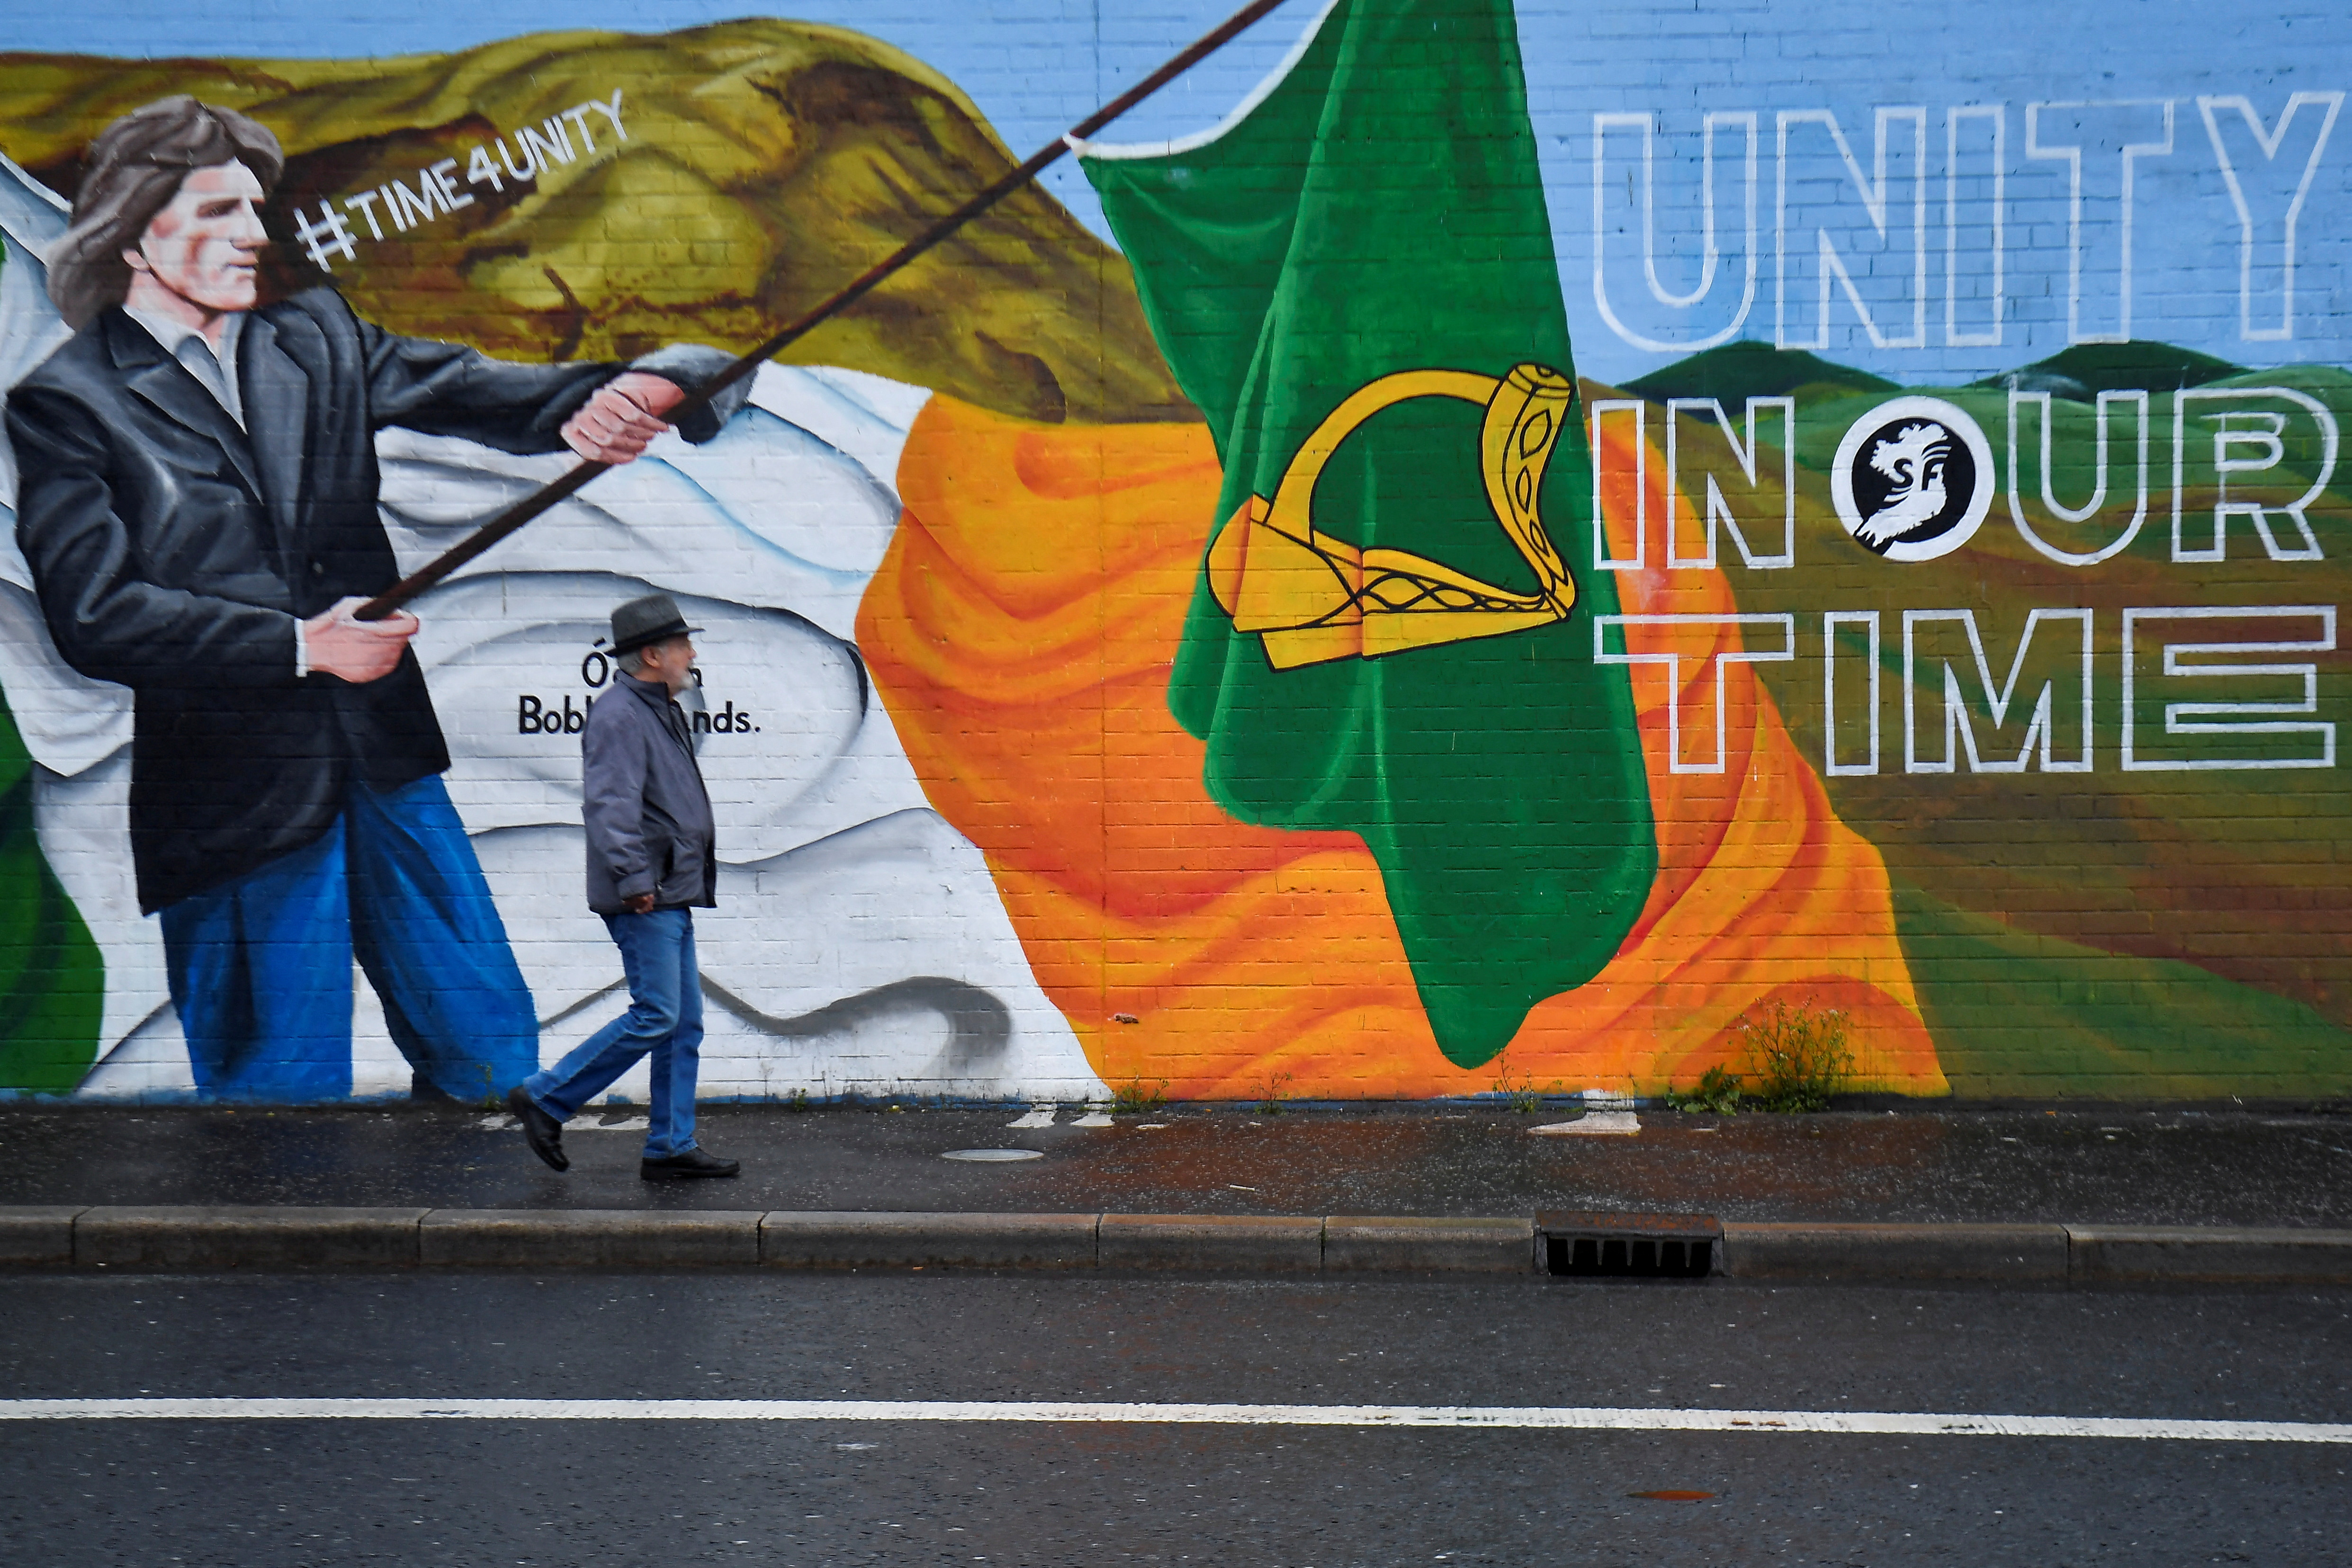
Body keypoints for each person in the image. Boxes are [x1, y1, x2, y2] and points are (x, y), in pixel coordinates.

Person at [5, 96, 745, 1101]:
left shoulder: (309, 334)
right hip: (235, 798)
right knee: (278, 1094)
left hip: (386, 757)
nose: (254, 238)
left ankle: (497, 1244)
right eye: (221, 211)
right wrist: (298, 646)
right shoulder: (70, 402)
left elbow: (481, 391)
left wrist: (640, 389)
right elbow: (94, 614)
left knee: (490, 1050)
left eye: (256, 211)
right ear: (135, 229)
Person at [507, 592, 736, 1179]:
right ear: (653, 654)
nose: (691, 653)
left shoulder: (661, 708)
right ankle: (547, 1097)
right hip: (647, 892)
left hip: (669, 888)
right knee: (657, 1013)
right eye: (683, 644)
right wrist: (636, 879)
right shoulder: (619, 714)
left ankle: (670, 1146)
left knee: (681, 1022)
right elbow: (610, 807)